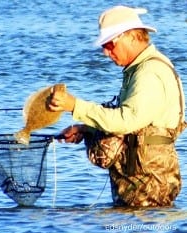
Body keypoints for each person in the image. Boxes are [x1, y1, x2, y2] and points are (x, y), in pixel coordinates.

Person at [48, 5, 186, 206]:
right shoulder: (141, 69)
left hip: (147, 185)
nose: (105, 53)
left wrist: (75, 106)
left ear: (132, 37)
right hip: (143, 181)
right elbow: (135, 123)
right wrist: (86, 130)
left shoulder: (149, 72)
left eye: (110, 44)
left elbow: (126, 121)